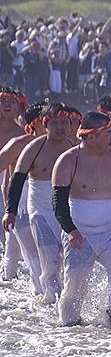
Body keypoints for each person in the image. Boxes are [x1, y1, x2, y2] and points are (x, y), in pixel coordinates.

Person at [52, 111, 111, 330]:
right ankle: (69, 323)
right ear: (92, 136)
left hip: (109, 232)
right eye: (108, 133)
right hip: (79, 234)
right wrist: (69, 230)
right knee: (75, 284)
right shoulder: (68, 161)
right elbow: (58, 202)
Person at [3, 102, 75, 304]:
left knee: (70, 261)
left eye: (64, 123)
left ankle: (69, 300)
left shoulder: (74, 150)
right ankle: (52, 301)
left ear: (70, 126)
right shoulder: (33, 148)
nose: (60, 127)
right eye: (55, 123)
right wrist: (10, 212)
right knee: (50, 260)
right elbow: (16, 181)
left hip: (67, 214)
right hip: (40, 214)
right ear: (45, 123)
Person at [0, 102, 45, 296]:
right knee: (32, 259)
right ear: (35, 123)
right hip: (20, 208)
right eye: (48, 121)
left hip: (45, 209)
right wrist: (8, 209)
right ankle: (38, 300)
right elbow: (6, 181)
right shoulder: (18, 144)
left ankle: (49, 298)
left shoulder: (61, 146)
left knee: (50, 259)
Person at [0, 87, 25, 281]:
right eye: (3, 100)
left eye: (11, 101)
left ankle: (9, 273)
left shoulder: (21, 134)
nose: (7, 104)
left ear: (18, 106)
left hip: (8, 186)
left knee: (7, 238)